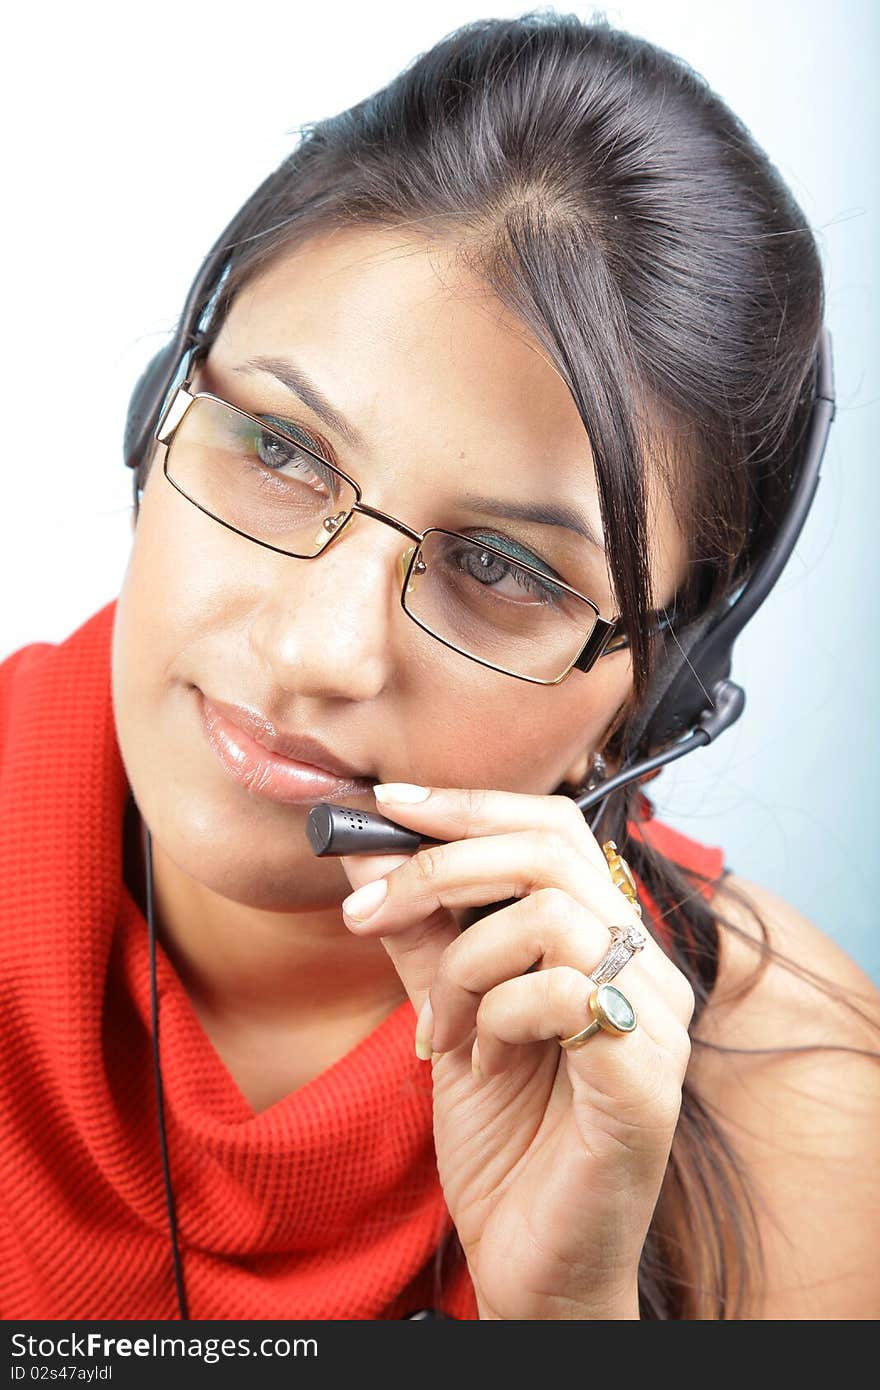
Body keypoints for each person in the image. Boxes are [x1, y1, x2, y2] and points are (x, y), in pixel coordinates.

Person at [1, 11, 878, 1322]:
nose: (318, 648)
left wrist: (568, 1312)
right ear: (159, 416)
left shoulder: (796, 1096)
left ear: (657, 695)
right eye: (284, 449)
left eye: (504, 569)